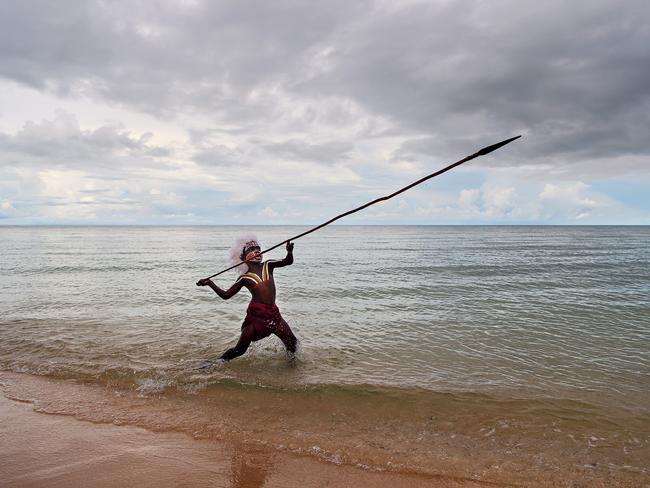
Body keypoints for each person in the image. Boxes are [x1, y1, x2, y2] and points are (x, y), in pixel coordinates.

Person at [196, 237, 297, 361]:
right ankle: (216, 363)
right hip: (256, 318)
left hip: (274, 315)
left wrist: (289, 252)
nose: (257, 251)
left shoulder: (268, 264)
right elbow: (226, 295)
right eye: (252, 249)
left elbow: (288, 261)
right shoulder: (244, 278)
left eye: (258, 249)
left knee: (292, 343)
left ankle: (292, 368)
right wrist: (210, 283)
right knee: (239, 350)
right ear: (243, 258)